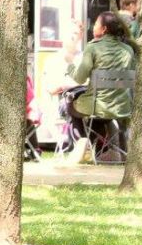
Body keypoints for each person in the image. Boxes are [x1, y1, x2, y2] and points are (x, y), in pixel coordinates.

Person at [52, 12, 136, 149]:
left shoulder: (93, 48)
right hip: (122, 107)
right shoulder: (128, 50)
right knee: (98, 116)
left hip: (98, 106)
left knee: (70, 105)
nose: (93, 27)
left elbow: (80, 78)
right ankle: (103, 149)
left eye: (96, 24)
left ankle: (84, 145)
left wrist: (69, 63)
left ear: (104, 29)